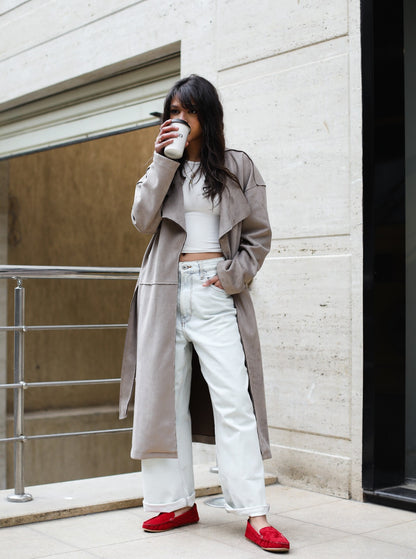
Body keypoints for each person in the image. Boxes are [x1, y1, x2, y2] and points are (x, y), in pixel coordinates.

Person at [119, 74, 290, 553]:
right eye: (171, 111)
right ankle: (174, 502)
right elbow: (140, 219)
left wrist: (231, 277)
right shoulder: (164, 166)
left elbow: (259, 236)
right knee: (163, 403)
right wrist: (163, 161)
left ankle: (254, 513)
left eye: (186, 110)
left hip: (215, 294)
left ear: (206, 114)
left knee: (235, 400)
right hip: (164, 295)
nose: (178, 119)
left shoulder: (236, 166)